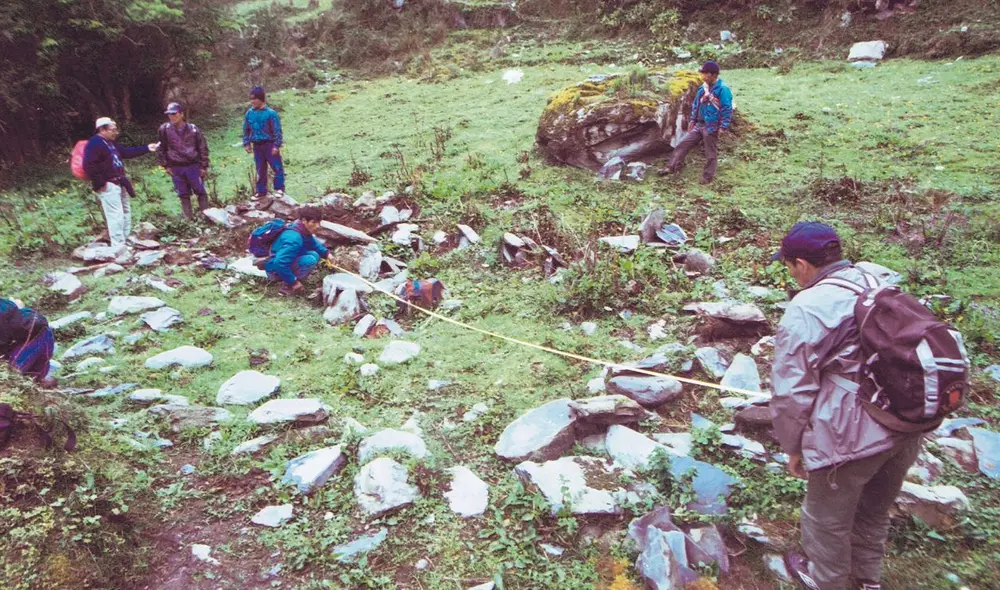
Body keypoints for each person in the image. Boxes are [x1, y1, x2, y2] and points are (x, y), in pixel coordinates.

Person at [770, 222, 921, 590]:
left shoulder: (807, 306)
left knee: (825, 520)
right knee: (872, 511)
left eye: (788, 265)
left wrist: (792, 446)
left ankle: (827, 582)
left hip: (853, 436)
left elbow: (792, 390)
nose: (789, 272)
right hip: (906, 422)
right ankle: (868, 581)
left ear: (802, 264)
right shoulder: (877, 281)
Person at [82, 117, 159, 250]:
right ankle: (118, 246)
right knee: (115, 215)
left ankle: (124, 240)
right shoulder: (94, 143)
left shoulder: (111, 143)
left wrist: (147, 148)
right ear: (102, 129)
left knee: (125, 212)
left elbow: (126, 152)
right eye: (112, 130)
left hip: (119, 182)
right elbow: (88, 165)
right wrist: (100, 183)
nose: (115, 132)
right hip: (108, 185)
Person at [660, 61, 733, 184]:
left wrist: (723, 127)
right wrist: (692, 120)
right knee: (683, 144)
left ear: (712, 75)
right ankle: (671, 167)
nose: (702, 76)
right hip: (698, 124)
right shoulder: (702, 88)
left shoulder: (723, 89)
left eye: (704, 74)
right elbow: (696, 105)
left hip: (711, 126)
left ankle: (708, 176)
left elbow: (727, 109)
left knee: (710, 152)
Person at [258, 206, 334, 296]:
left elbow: (313, 244)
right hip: (275, 269)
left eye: (319, 222)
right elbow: (280, 263)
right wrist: (293, 282)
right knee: (310, 260)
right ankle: (287, 287)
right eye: (314, 222)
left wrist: (327, 254)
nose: (318, 226)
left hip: (282, 263)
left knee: (314, 254)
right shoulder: (294, 238)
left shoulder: (301, 228)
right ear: (304, 220)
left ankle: (291, 279)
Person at [156, 102, 211, 220]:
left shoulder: (193, 129)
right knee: (183, 194)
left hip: (193, 165)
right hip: (176, 167)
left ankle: (207, 217)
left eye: (174, 114)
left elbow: (202, 148)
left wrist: (203, 166)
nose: (172, 117)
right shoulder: (164, 130)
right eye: (169, 114)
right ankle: (188, 219)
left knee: (200, 191)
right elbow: (161, 148)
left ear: (181, 114)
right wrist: (166, 166)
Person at [0, 298, 55, 386]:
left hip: (37, 336)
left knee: (12, 376)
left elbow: (2, 344)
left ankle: (40, 381)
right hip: (23, 336)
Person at [243, 86, 285, 199]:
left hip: (269, 144)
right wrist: (246, 143)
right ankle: (261, 191)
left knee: (277, 167)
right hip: (257, 146)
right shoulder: (249, 114)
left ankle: (279, 188)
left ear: (261, 99)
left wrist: (276, 145)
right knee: (260, 169)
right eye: (251, 99)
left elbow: (277, 131)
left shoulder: (271, 114)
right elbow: (245, 129)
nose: (252, 101)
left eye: (254, 99)